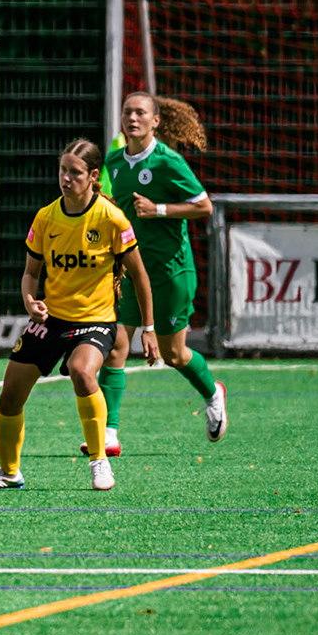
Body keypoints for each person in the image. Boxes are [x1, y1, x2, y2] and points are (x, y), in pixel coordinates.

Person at [0, 139, 158, 493]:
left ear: (93, 176)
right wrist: (31, 301)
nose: (65, 178)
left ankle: (98, 460)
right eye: (62, 171)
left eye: (74, 173)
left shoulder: (110, 218)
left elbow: (139, 274)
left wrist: (148, 328)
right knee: (10, 394)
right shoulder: (46, 217)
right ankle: (8, 472)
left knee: (81, 370)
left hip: (95, 320)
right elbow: (31, 273)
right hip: (51, 320)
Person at [95, 91, 227, 455]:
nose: (132, 118)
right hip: (132, 271)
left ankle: (213, 392)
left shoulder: (169, 162)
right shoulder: (113, 163)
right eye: (127, 112)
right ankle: (109, 433)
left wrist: (160, 210)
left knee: (174, 354)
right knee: (116, 347)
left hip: (170, 270)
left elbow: (204, 207)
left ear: (155, 121)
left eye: (140, 113)